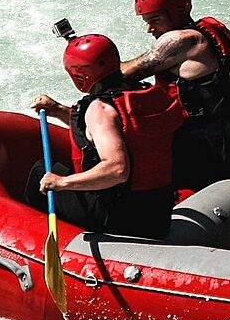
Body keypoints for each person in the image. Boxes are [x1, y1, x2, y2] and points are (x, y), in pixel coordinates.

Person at [27, 34, 184, 238]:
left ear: (78, 75)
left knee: (41, 171)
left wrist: (62, 182)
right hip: (158, 213)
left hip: (118, 217)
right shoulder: (143, 92)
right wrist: (57, 109)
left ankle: (36, 240)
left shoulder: (99, 108)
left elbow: (117, 170)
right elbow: (121, 132)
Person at [120, 0, 230, 193]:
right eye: (146, 21)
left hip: (214, 156)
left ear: (180, 10)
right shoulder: (203, 34)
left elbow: (126, 72)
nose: (149, 29)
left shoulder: (183, 40)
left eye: (155, 20)